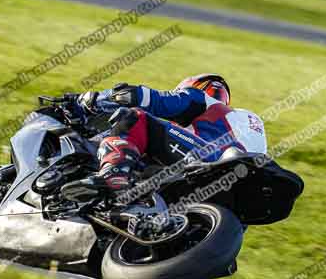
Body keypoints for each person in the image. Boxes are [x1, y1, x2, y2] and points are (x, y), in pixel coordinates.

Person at [61, 73, 267, 203]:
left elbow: (150, 99)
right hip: (235, 196)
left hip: (206, 163)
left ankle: (113, 174)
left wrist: (91, 100)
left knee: (134, 117)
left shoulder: (201, 99)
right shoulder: (249, 124)